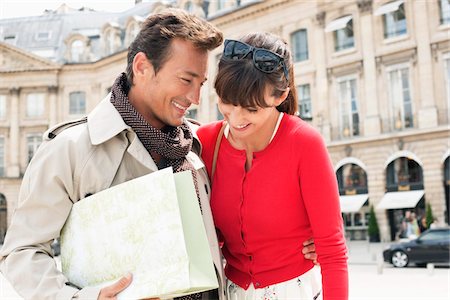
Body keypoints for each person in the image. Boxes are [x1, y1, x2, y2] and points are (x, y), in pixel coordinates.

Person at [0, 9, 317, 300]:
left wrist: (293, 240)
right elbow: (22, 251)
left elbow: (234, 224)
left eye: (201, 83)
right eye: (186, 79)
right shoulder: (70, 148)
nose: (194, 97)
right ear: (141, 67)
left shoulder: (201, 145)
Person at [197, 33, 348, 299]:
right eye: (226, 102)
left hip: (294, 291)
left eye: (251, 109)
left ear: (281, 96)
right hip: (231, 292)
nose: (236, 118)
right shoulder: (207, 142)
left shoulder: (305, 143)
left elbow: (333, 251)